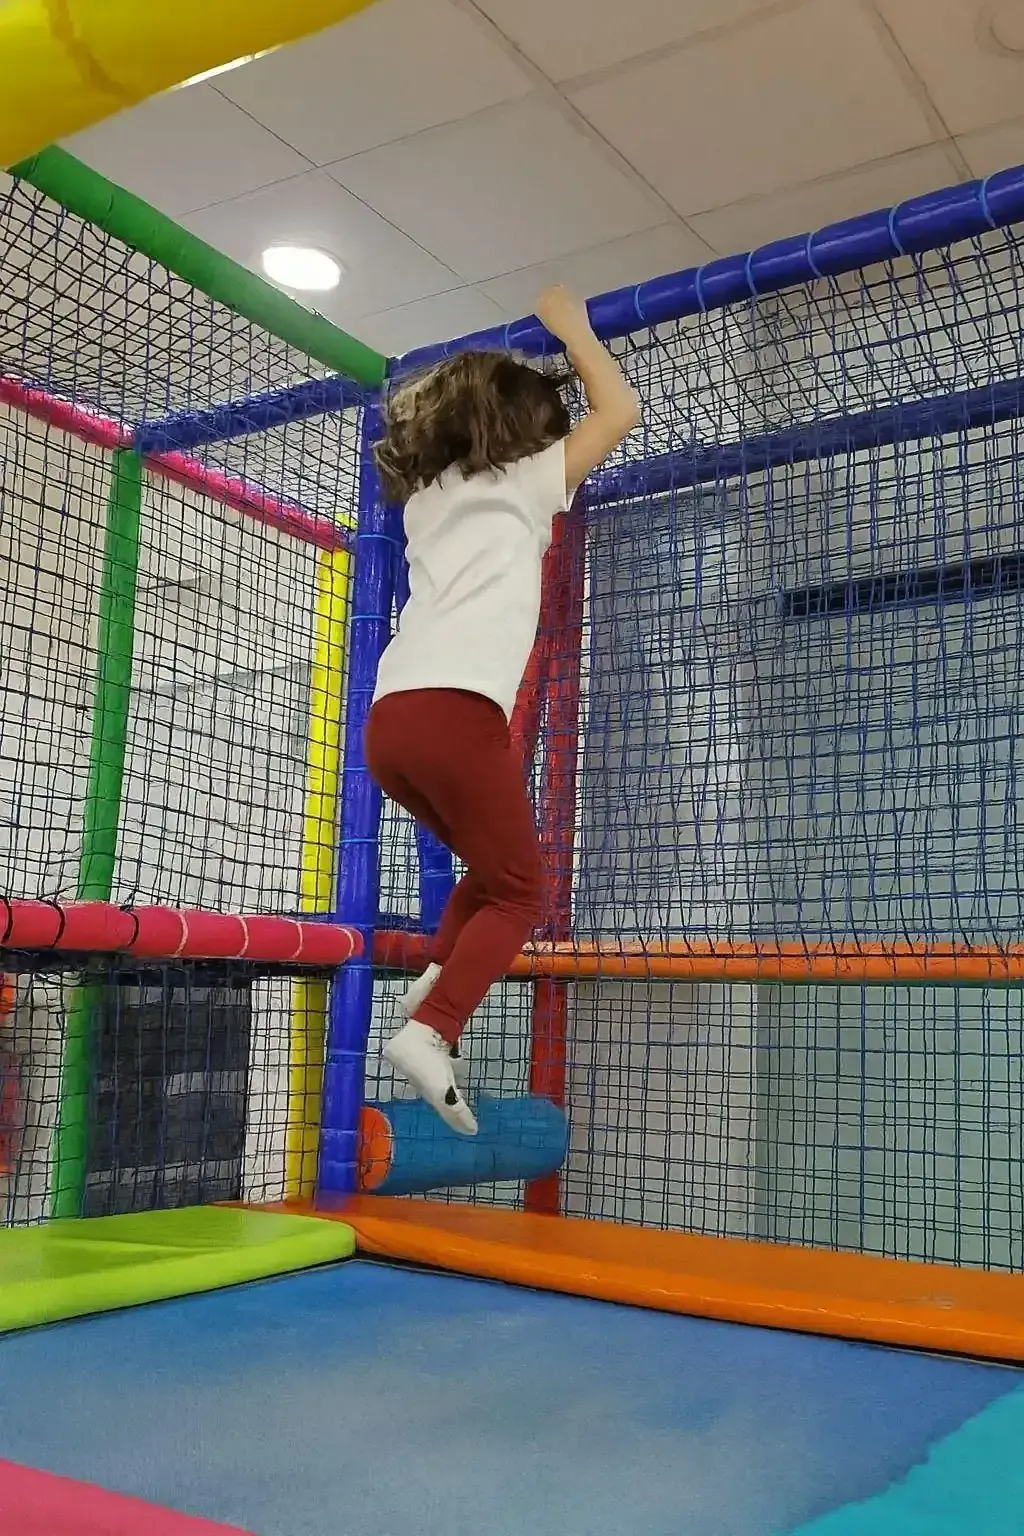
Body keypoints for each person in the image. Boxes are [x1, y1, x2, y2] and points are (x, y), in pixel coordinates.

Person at [365, 285, 639, 1135]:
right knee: (524, 892)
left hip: (390, 724)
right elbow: (622, 408)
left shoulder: (428, 497)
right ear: (526, 434)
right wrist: (575, 333)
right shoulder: (524, 484)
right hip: (455, 715)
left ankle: (436, 977)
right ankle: (431, 1028)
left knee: (491, 868)